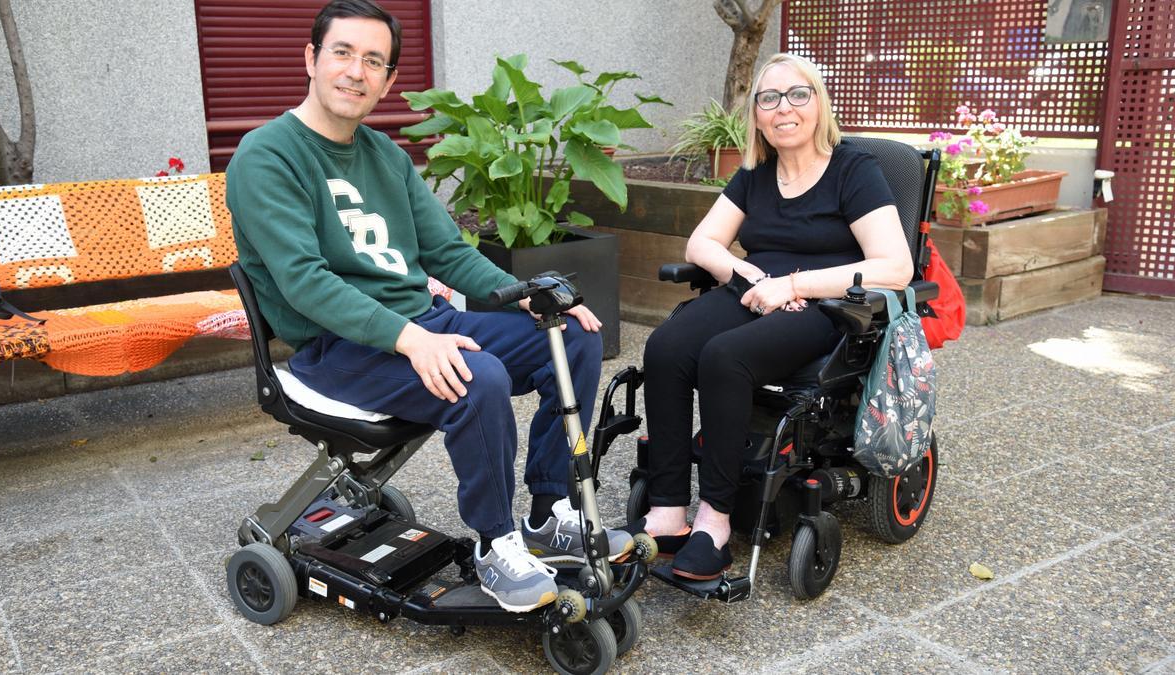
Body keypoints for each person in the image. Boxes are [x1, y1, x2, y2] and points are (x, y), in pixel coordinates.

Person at [225, 0, 631, 613]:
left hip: (420, 324)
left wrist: (527, 299)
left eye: (373, 61)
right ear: (311, 59)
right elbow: (305, 282)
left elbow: (446, 251)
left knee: (569, 337)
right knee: (479, 376)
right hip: (336, 349)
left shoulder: (386, 156)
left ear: (388, 80)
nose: (355, 72)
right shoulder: (267, 155)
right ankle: (497, 545)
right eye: (342, 53)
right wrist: (412, 339)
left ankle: (549, 516)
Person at [628, 53, 913, 580]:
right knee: (665, 347)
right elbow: (702, 242)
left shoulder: (853, 170)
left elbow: (895, 266)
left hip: (826, 304)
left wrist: (794, 285)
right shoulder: (755, 175)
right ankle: (668, 512)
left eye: (797, 94)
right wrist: (753, 279)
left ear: (818, 102)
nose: (784, 108)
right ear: (757, 115)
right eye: (769, 98)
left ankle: (714, 522)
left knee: (724, 357)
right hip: (758, 291)